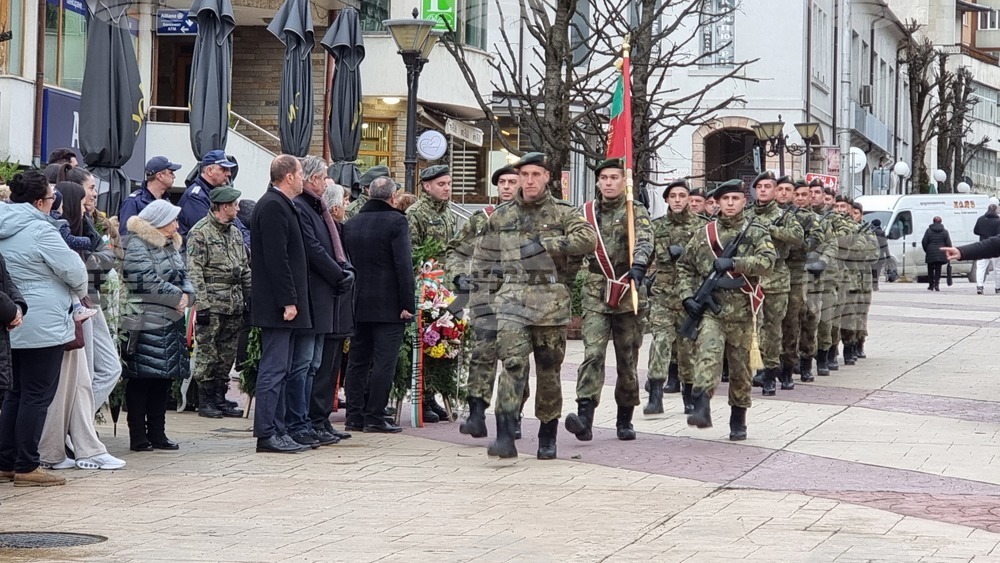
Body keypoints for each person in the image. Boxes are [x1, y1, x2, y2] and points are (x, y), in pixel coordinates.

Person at [472, 152, 597, 459]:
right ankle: (504, 433)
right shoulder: (502, 215)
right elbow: (483, 255)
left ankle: (547, 434)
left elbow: (588, 240)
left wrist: (546, 245)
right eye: (524, 175)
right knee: (512, 365)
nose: (529, 181)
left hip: (550, 303)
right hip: (511, 300)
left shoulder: (563, 213)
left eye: (535, 175)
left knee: (549, 371)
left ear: (546, 177)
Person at [0, 171, 89, 486]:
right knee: (36, 396)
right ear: (39, 202)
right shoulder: (40, 230)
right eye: (52, 199)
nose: (55, 205)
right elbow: (75, 271)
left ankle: (6, 462)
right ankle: (27, 465)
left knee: (15, 393)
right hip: (43, 321)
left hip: (10, 317)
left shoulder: (4, 222)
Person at [678, 179, 775, 441]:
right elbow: (685, 266)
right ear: (717, 203)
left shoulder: (756, 231)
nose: (730, 204)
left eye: (735, 199)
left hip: (744, 311)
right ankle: (701, 405)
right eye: (725, 199)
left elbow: (767, 262)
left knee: (741, 369)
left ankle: (738, 419)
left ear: (744, 201)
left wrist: (736, 262)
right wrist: (687, 296)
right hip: (714, 310)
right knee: (707, 356)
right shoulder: (705, 234)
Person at [38, 181, 126, 471]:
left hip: (83, 303)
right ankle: (80, 443)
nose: (93, 194)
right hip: (72, 307)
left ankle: (74, 439)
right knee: (77, 381)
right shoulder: (51, 228)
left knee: (96, 374)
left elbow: (106, 256)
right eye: (89, 188)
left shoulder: (82, 222)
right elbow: (76, 268)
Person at [567, 158, 653, 442]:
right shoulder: (585, 213)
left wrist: (639, 264)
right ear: (597, 182)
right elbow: (574, 244)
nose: (608, 182)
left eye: (614, 177)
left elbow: (645, 239)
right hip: (595, 291)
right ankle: (584, 416)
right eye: (603, 178)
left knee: (627, 359)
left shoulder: (634, 210)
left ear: (623, 181)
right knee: (592, 354)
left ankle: (624, 418)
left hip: (628, 290)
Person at [449, 164, 524, 439]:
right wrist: (459, 276)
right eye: (502, 182)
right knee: (481, 355)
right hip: (485, 299)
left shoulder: (530, 218)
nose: (506, 186)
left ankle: (512, 415)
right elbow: (456, 249)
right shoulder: (481, 219)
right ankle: (477, 414)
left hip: (518, 300)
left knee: (515, 360)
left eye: (511, 181)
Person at [249, 155, 313, 454]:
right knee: (274, 370)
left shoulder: (281, 204)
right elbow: (277, 259)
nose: (303, 178)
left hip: (282, 304)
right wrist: (288, 300)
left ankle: (279, 428)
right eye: (300, 173)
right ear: (288, 176)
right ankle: (267, 433)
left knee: (282, 369)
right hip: (277, 306)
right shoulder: (273, 205)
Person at [342, 176, 414, 434]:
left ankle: (353, 415)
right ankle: (374, 415)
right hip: (389, 305)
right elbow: (403, 265)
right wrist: (408, 303)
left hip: (358, 302)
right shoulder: (397, 221)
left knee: (357, 360)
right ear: (393, 198)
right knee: (384, 361)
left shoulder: (351, 223)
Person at [122, 199, 195, 453]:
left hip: (170, 321)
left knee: (162, 379)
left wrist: (188, 297)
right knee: (142, 378)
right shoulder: (136, 243)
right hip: (145, 320)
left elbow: (185, 276)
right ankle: (138, 437)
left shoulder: (170, 245)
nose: (177, 224)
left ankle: (158, 433)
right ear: (159, 221)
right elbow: (142, 279)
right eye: (173, 219)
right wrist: (177, 297)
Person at [290, 156, 353, 447]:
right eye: (323, 177)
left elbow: (330, 246)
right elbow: (314, 249)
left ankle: (316, 420)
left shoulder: (316, 208)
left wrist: (343, 270)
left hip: (327, 296)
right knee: (306, 364)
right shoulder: (303, 207)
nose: (325, 182)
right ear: (312, 179)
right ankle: (303, 421)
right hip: (315, 294)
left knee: (315, 364)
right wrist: (337, 273)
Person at [186, 186, 251, 419]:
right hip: (212, 304)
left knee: (227, 354)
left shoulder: (234, 232)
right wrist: (201, 305)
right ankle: (205, 399)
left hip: (233, 303)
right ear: (224, 207)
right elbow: (194, 272)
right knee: (207, 352)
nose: (238, 208)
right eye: (235, 204)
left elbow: (244, 268)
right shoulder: (200, 232)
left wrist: (249, 297)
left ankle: (219, 397)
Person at [644, 179, 705, 416]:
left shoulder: (702, 226)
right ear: (667, 200)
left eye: (682, 195)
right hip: (662, 297)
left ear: (689, 199)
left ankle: (689, 397)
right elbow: (645, 255)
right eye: (673, 196)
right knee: (659, 343)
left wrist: (688, 254)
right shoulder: (656, 227)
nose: (678, 200)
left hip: (690, 298)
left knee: (687, 349)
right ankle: (655, 396)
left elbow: (709, 262)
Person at [407, 164, 459, 423]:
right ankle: (423, 397)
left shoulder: (449, 214)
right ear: (427, 186)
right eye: (441, 184)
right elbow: (413, 253)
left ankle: (436, 392)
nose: (447, 188)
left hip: (446, 289)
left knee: (445, 342)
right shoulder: (415, 213)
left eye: (449, 183)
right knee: (426, 343)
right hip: (426, 289)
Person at [748, 171, 803, 395]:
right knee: (752, 328)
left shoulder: (785, 216)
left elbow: (798, 238)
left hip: (776, 277)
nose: (762, 190)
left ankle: (774, 371)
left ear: (775, 190)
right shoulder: (747, 214)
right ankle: (757, 368)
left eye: (767, 186)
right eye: (759, 186)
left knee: (773, 329)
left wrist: (771, 230)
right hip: (750, 279)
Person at [312, 180, 354, 439]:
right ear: (336, 206)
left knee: (332, 367)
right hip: (331, 305)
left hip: (340, 309)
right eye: (344, 202)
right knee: (323, 367)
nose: (346, 207)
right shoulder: (329, 229)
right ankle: (316, 418)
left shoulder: (338, 228)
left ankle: (323, 417)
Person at [177, 150, 238, 238]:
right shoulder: (195, 197)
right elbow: (210, 231)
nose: (229, 174)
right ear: (209, 171)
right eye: (224, 169)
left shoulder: (219, 192)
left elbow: (237, 224)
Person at [118, 156, 181, 237]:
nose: (174, 176)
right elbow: (125, 237)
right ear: (160, 176)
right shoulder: (133, 202)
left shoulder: (166, 200)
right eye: (171, 173)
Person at [973, 204, 1000, 294]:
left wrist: (983, 235)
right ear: (995, 210)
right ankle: (998, 287)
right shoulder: (998, 221)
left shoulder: (980, 219)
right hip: (995, 247)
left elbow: (975, 231)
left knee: (981, 267)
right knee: (997, 269)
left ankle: (979, 286)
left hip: (983, 246)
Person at [922, 216, 951, 291]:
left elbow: (924, 242)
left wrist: (927, 250)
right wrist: (947, 252)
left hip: (931, 252)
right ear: (941, 222)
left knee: (930, 269)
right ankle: (937, 285)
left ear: (933, 221)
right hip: (941, 252)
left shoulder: (928, 231)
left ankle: (931, 285)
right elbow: (948, 243)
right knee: (938, 269)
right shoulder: (945, 231)